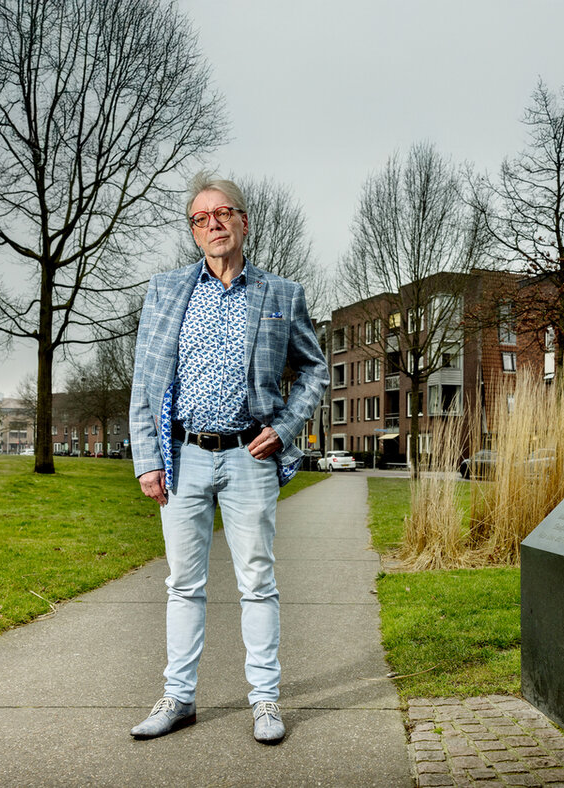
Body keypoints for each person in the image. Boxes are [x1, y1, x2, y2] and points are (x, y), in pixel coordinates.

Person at [128, 173, 328, 744]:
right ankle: (179, 698)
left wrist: (285, 428)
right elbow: (145, 381)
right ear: (193, 232)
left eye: (223, 214)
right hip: (183, 456)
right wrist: (147, 458)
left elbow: (315, 370)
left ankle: (264, 701)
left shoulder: (281, 294)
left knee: (257, 582)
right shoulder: (166, 290)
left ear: (243, 221)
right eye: (201, 218)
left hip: (248, 456)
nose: (213, 224)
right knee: (182, 584)